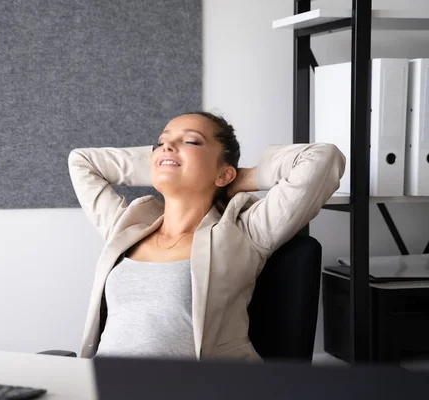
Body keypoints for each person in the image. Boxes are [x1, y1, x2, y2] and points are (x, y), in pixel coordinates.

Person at [68, 111, 345, 361]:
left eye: (191, 141)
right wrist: (163, 162)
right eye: (161, 141)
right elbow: (82, 161)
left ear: (225, 173)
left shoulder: (244, 232)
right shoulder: (126, 227)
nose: (166, 145)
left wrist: (240, 178)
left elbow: (324, 158)